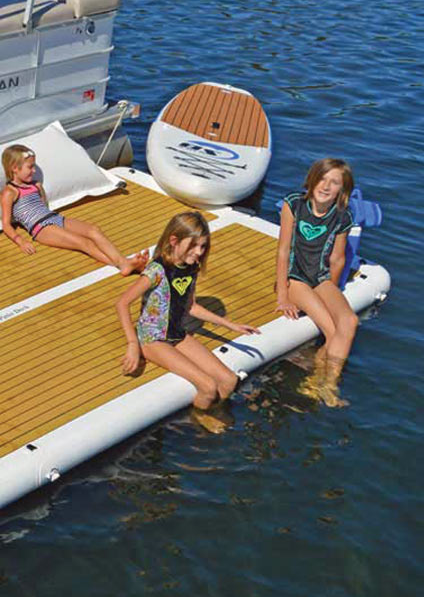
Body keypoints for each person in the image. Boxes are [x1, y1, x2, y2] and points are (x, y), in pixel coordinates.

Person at [116, 211, 260, 433]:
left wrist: (231, 325)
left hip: (176, 333)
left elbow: (191, 307)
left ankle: (212, 412)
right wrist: (133, 344)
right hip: (152, 339)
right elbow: (122, 303)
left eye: (203, 247)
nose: (199, 252)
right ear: (174, 241)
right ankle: (199, 418)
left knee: (229, 380)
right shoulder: (157, 271)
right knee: (208, 386)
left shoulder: (190, 268)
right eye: (194, 246)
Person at [275, 158, 359, 407]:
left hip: (321, 279)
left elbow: (337, 259)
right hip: (295, 278)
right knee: (332, 331)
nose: (325, 186)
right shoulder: (294, 205)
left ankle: (328, 383)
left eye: (334, 183)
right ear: (312, 180)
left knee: (349, 320)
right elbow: (283, 251)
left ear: (342, 191)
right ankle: (315, 382)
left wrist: (330, 291)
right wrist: (283, 294)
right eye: (322, 179)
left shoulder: (342, 217)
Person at [0, 143, 148, 275]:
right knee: (83, 243)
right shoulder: (10, 192)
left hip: (54, 217)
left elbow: (44, 206)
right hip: (40, 228)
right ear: (15, 168)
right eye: (29, 167)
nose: (33, 171)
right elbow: (6, 224)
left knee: (93, 230)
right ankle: (123, 264)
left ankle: (124, 262)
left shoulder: (36, 185)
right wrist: (20, 241)